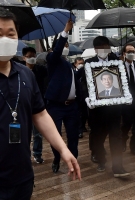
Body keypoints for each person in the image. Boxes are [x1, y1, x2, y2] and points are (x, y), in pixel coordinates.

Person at [0, 8, 81, 199]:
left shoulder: (26, 74)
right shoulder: (54, 59)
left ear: (17, 37)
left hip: (22, 175)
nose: (4, 39)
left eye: (10, 34)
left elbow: (40, 114)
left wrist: (63, 149)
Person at [83, 36, 129, 177]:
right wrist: (87, 98)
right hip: (97, 111)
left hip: (114, 109)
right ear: (96, 49)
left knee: (116, 137)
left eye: (106, 47)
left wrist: (126, 95)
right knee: (98, 137)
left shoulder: (117, 63)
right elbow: (84, 84)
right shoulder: (89, 63)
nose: (104, 50)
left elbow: (123, 81)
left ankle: (118, 167)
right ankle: (101, 159)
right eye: (101, 47)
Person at [45, 20, 81, 173]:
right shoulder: (52, 59)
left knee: (73, 136)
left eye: (67, 46)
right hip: (56, 106)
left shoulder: (69, 64)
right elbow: (58, 49)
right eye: (64, 46)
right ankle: (57, 158)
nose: (66, 48)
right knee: (56, 136)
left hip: (72, 106)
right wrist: (65, 31)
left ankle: (73, 160)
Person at [22, 46, 48, 164]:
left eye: (33, 56)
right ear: (24, 58)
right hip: (23, 106)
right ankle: (24, 155)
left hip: (37, 107)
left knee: (37, 134)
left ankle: (37, 154)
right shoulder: (20, 71)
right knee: (23, 133)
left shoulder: (41, 70)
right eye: (29, 57)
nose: (32, 59)